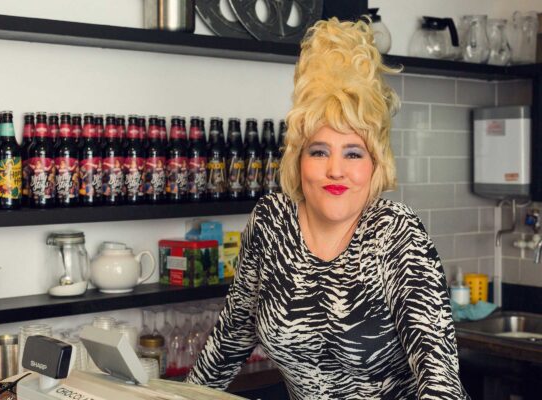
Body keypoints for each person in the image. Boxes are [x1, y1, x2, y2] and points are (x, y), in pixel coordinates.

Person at [186, 17, 470, 400]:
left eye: (353, 153)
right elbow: (230, 339)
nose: (335, 169)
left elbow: (441, 383)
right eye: (319, 151)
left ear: (375, 165)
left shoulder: (397, 235)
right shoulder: (272, 223)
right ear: (298, 160)